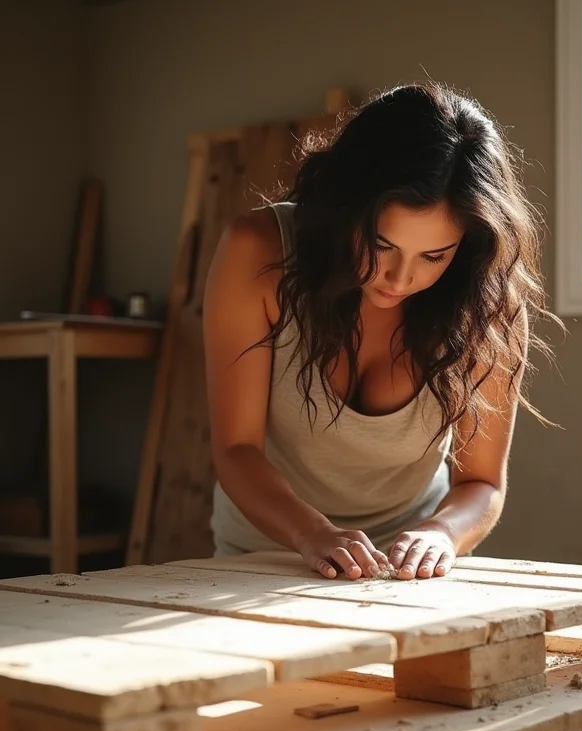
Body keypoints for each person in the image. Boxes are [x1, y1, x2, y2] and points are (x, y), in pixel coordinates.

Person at [202, 81, 555, 582]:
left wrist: (443, 534)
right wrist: (312, 534)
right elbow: (236, 451)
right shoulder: (258, 251)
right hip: (263, 555)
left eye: (433, 256)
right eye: (381, 244)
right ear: (345, 208)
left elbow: (481, 483)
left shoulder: (487, 304)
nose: (399, 278)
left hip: (408, 572)